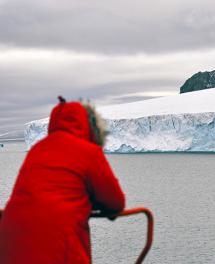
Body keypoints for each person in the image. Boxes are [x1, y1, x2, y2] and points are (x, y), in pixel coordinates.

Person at [0, 97, 125, 263]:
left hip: (9, 245)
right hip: (58, 251)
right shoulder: (89, 152)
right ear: (90, 126)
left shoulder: (37, 150)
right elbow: (115, 202)